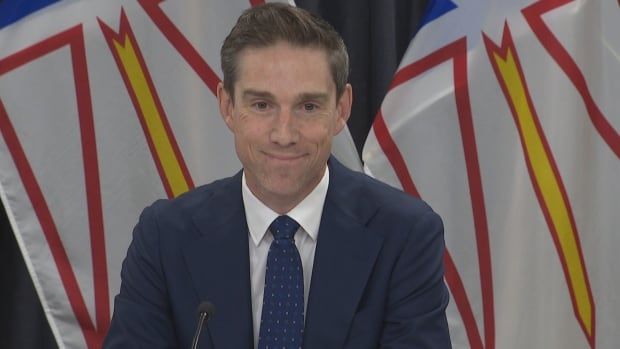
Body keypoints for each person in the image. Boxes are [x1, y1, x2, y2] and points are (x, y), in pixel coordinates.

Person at [104, 3, 451, 348]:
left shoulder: (405, 236)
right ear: (227, 106)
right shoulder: (164, 237)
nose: (284, 134)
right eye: (262, 105)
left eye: (308, 107)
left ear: (341, 109)